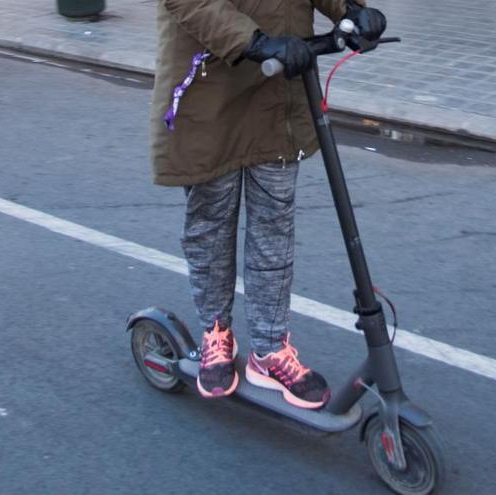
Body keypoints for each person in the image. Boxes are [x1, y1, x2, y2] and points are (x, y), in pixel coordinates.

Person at [150, 0, 386, 409]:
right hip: (211, 83)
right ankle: (216, 333)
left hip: (280, 86)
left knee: (274, 226)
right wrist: (254, 41)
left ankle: (270, 348)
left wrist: (349, 9)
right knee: (211, 223)